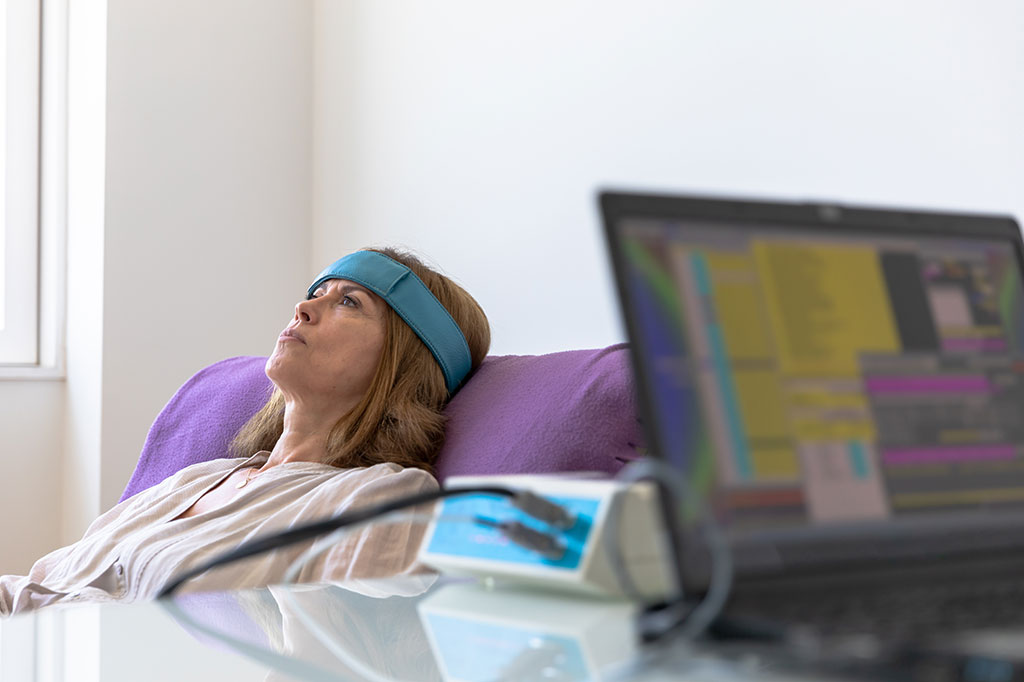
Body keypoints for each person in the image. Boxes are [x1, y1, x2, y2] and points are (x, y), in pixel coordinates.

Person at [0, 247, 490, 616]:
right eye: (314, 292)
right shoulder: (198, 479)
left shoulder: (380, 498)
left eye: (348, 302)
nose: (303, 307)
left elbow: (351, 638)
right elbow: (40, 586)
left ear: (403, 361)